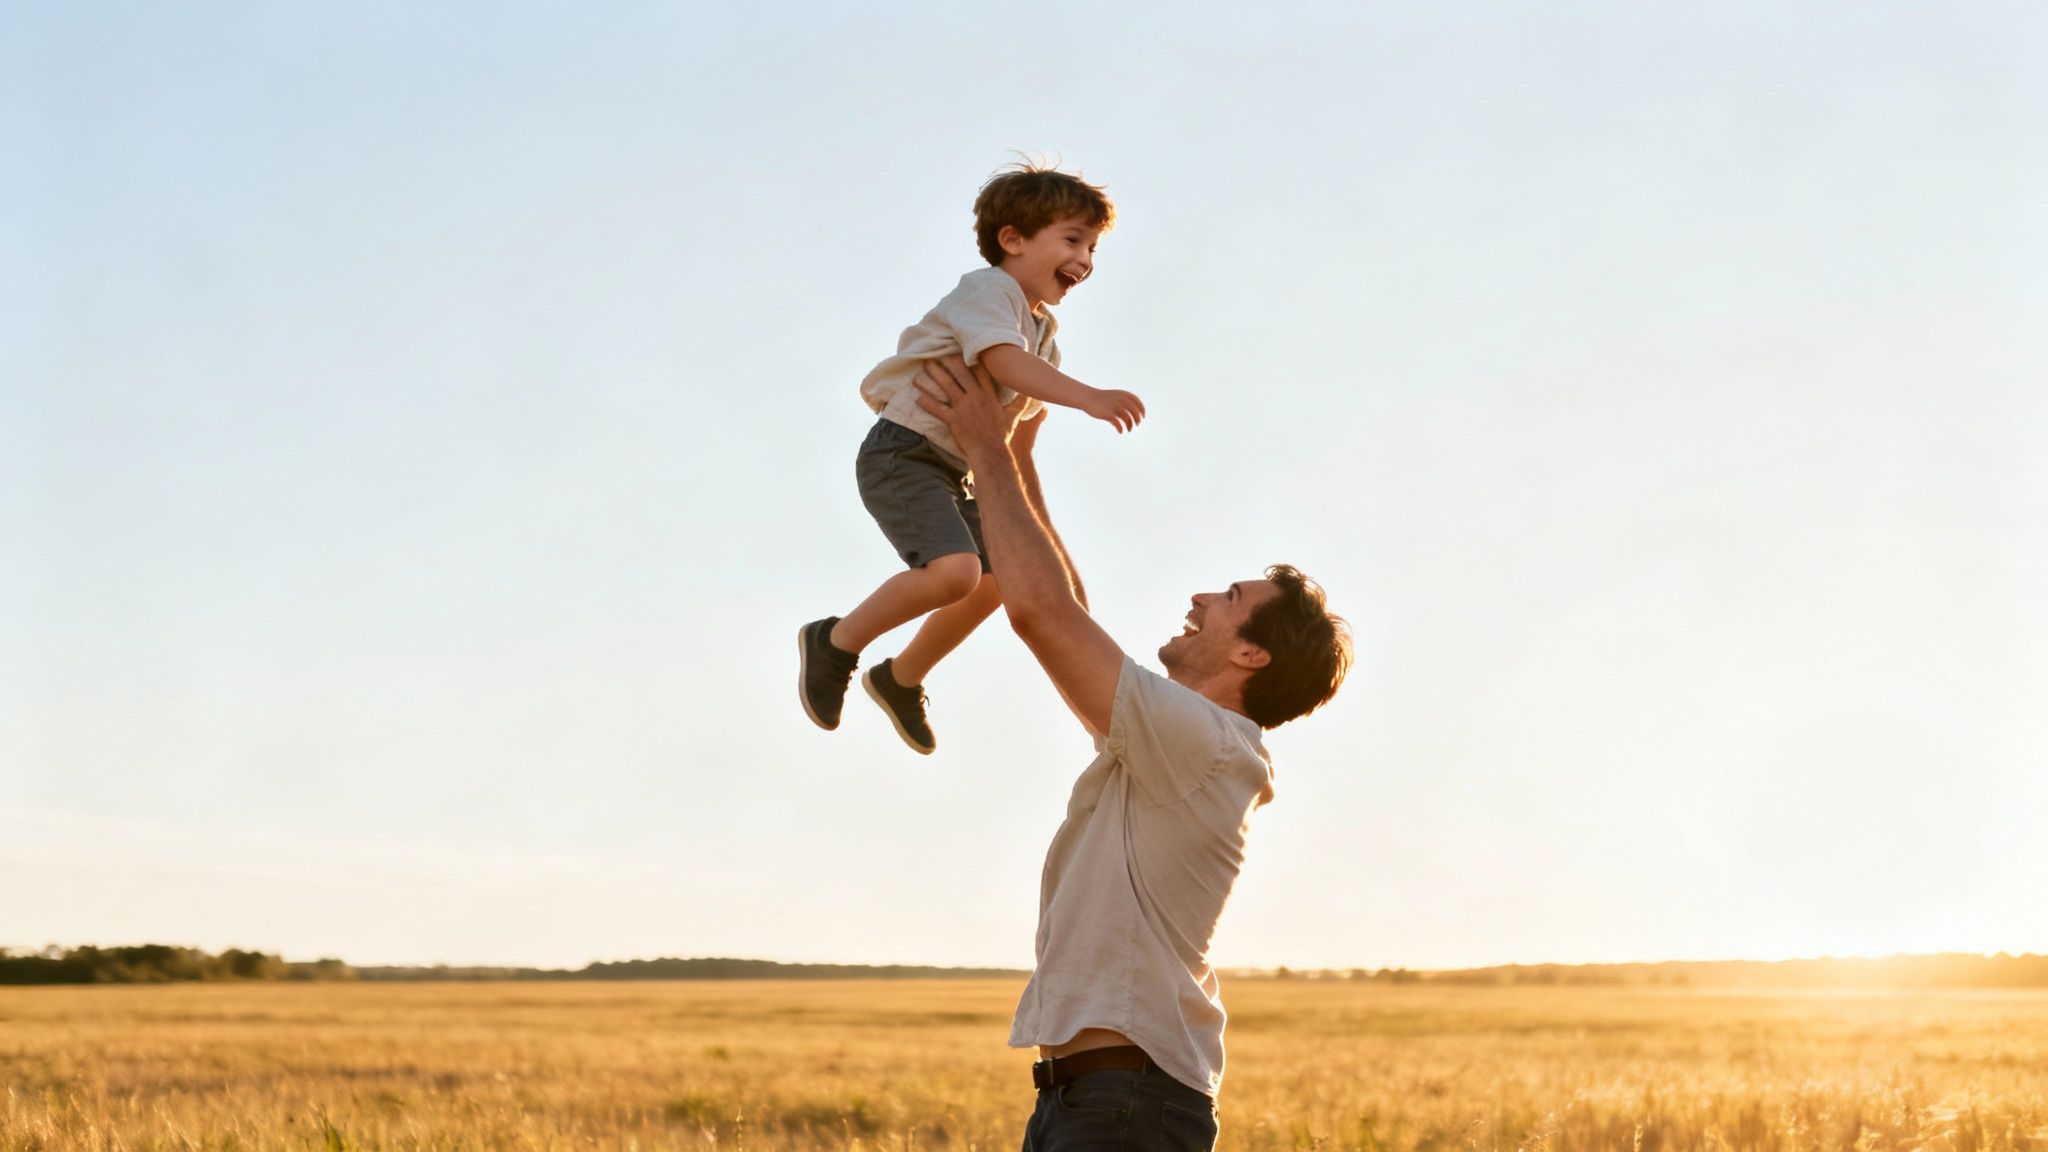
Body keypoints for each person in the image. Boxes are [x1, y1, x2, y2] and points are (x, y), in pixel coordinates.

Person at [911, 355, 1352, 1151]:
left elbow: (1043, 615)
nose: (1200, 598)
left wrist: (988, 450)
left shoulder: (1205, 746)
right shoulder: (1175, 741)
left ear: (1253, 656)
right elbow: (1064, 607)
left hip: (1124, 1105)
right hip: (1092, 1102)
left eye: (1230, 601)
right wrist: (1024, 462)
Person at [798, 162, 1146, 755]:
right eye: (1071, 240)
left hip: (951, 467)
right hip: (903, 453)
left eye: (1091, 247)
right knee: (955, 573)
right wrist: (1089, 398)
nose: (1085, 259)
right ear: (1012, 240)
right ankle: (836, 640)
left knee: (997, 580)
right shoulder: (989, 293)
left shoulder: (1043, 335)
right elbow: (1006, 365)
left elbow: (1016, 430)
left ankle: (901, 677)